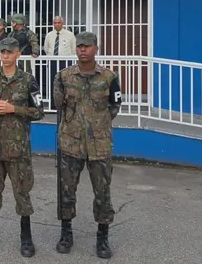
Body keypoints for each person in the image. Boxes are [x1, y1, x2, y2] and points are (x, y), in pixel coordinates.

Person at [0, 37, 45, 258]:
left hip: (18, 147)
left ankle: (26, 237)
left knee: (22, 191)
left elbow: (39, 111)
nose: (5, 56)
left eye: (9, 52)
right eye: (2, 52)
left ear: (18, 54)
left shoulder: (28, 80)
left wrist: (15, 109)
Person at [52, 31, 122, 259]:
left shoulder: (110, 77)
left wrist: (97, 126)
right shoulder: (63, 76)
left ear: (96, 49)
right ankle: (66, 234)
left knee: (102, 192)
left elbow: (114, 106)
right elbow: (58, 105)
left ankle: (102, 238)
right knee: (66, 191)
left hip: (99, 146)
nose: (82, 50)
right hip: (70, 143)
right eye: (80, 46)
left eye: (87, 46)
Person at [42, 16, 76, 110]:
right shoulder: (49, 35)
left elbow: (74, 49)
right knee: (53, 82)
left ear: (62, 23)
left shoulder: (69, 35)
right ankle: (53, 105)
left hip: (65, 62)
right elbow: (46, 48)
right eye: (55, 23)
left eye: (59, 22)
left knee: (66, 83)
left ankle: (66, 105)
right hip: (53, 62)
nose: (57, 24)